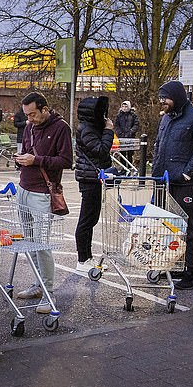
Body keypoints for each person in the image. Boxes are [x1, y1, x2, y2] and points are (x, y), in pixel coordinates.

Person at [152, 80, 193, 290]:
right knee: (166, 226)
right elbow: (159, 144)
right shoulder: (166, 119)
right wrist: (155, 172)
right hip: (163, 181)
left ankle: (191, 273)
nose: (162, 102)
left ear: (176, 97)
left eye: (165, 98)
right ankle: (175, 263)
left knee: (187, 227)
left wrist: (188, 173)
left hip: (186, 183)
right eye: (161, 98)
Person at [13, 92, 73, 305]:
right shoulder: (29, 127)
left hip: (42, 194)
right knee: (29, 242)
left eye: (33, 114)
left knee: (41, 244)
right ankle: (38, 284)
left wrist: (36, 160)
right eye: (27, 115)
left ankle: (48, 293)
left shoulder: (61, 128)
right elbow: (28, 152)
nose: (29, 119)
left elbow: (66, 161)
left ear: (45, 109)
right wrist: (21, 160)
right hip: (24, 188)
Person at [74, 96, 114, 273]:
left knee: (91, 218)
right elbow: (101, 150)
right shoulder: (87, 129)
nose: (105, 117)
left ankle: (87, 258)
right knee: (87, 219)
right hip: (90, 178)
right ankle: (83, 260)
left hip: (94, 177)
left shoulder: (91, 127)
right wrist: (109, 131)